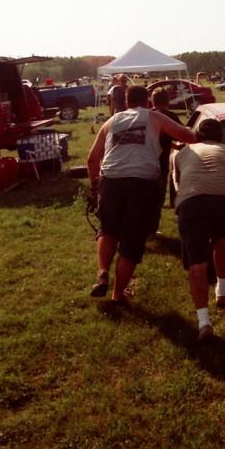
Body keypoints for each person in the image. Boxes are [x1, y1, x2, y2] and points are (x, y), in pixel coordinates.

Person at [87, 85, 197, 301]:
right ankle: (118, 294)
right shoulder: (154, 117)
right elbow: (185, 135)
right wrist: (204, 135)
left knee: (108, 229)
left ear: (126, 102)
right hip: (142, 183)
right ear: (147, 102)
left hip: (111, 181)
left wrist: (94, 187)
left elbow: (92, 159)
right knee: (132, 239)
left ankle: (102, 274)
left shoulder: (111, 122)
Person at [173, 119, 225, 342]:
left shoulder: (183, 152)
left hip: (192, 200)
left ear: (197, 135)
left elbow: (178, 184)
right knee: (221, 238)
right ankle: (222, 290)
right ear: (220, 136)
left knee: (197, 262)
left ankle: (204, 322)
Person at [150, 88, 183, 233]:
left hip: (143, 161)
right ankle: (152, 228)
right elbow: (182, 134)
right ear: (168, 101)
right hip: (160, 165)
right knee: (157, 199)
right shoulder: (170, 116)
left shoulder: (148, 115)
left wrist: (172, 144)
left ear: (152, 100)